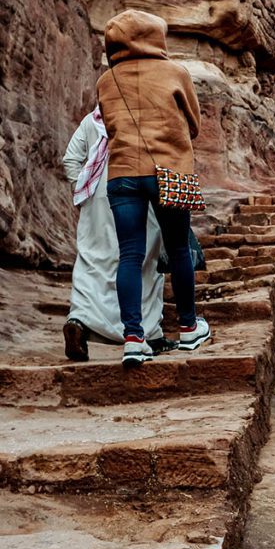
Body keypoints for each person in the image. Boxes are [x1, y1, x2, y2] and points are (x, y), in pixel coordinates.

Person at [96, 9, 210, 368]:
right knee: (178, 247)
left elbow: (109, 124)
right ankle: (190, 328)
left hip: (123, 173)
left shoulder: (106, 80)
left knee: (129, 254)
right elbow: (194, 124)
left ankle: (134, 338)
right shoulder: (175, 72)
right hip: (169, 171)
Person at [61, 106, 174, 361]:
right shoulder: (145, 115)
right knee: (143, 262)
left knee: (91, 259)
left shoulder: (94, 120)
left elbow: (70, 159)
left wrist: (83, 191)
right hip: (136, 194)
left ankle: (78, 319)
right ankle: (150, 334)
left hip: (97, 197)